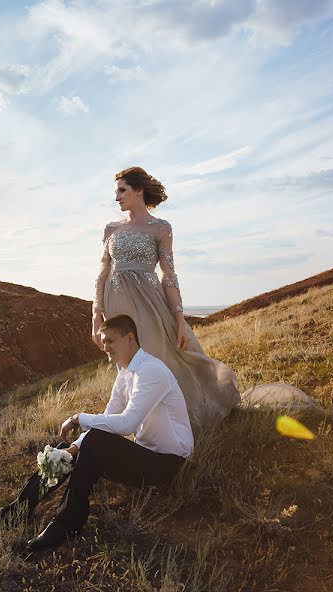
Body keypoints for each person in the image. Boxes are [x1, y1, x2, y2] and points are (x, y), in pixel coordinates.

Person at [0, 314, 192, 552]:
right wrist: (74, 447)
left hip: (168, 466)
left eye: (110, 341)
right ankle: (18, 511)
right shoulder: (124, 373)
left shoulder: (150, 371)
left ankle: (67, 523)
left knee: (95, 441)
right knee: (63, 452)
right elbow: (108, 419)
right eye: (103, 341)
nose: (105, 347)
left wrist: (78, 418)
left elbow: (126, 424)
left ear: (130, 338)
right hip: (144, 456)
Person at [92, 166, 239, 430]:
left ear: (138, 190)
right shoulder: (111, 229)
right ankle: (143, 426)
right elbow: (102, 273)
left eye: (122, 190)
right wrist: (96, 315)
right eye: (116, 192)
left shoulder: (161, 228)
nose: (116, 198)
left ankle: (178, 424)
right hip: (117, 304)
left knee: (158, 360)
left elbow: (169, 275)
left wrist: (179, 320)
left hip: (150, 304)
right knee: (127, 364)